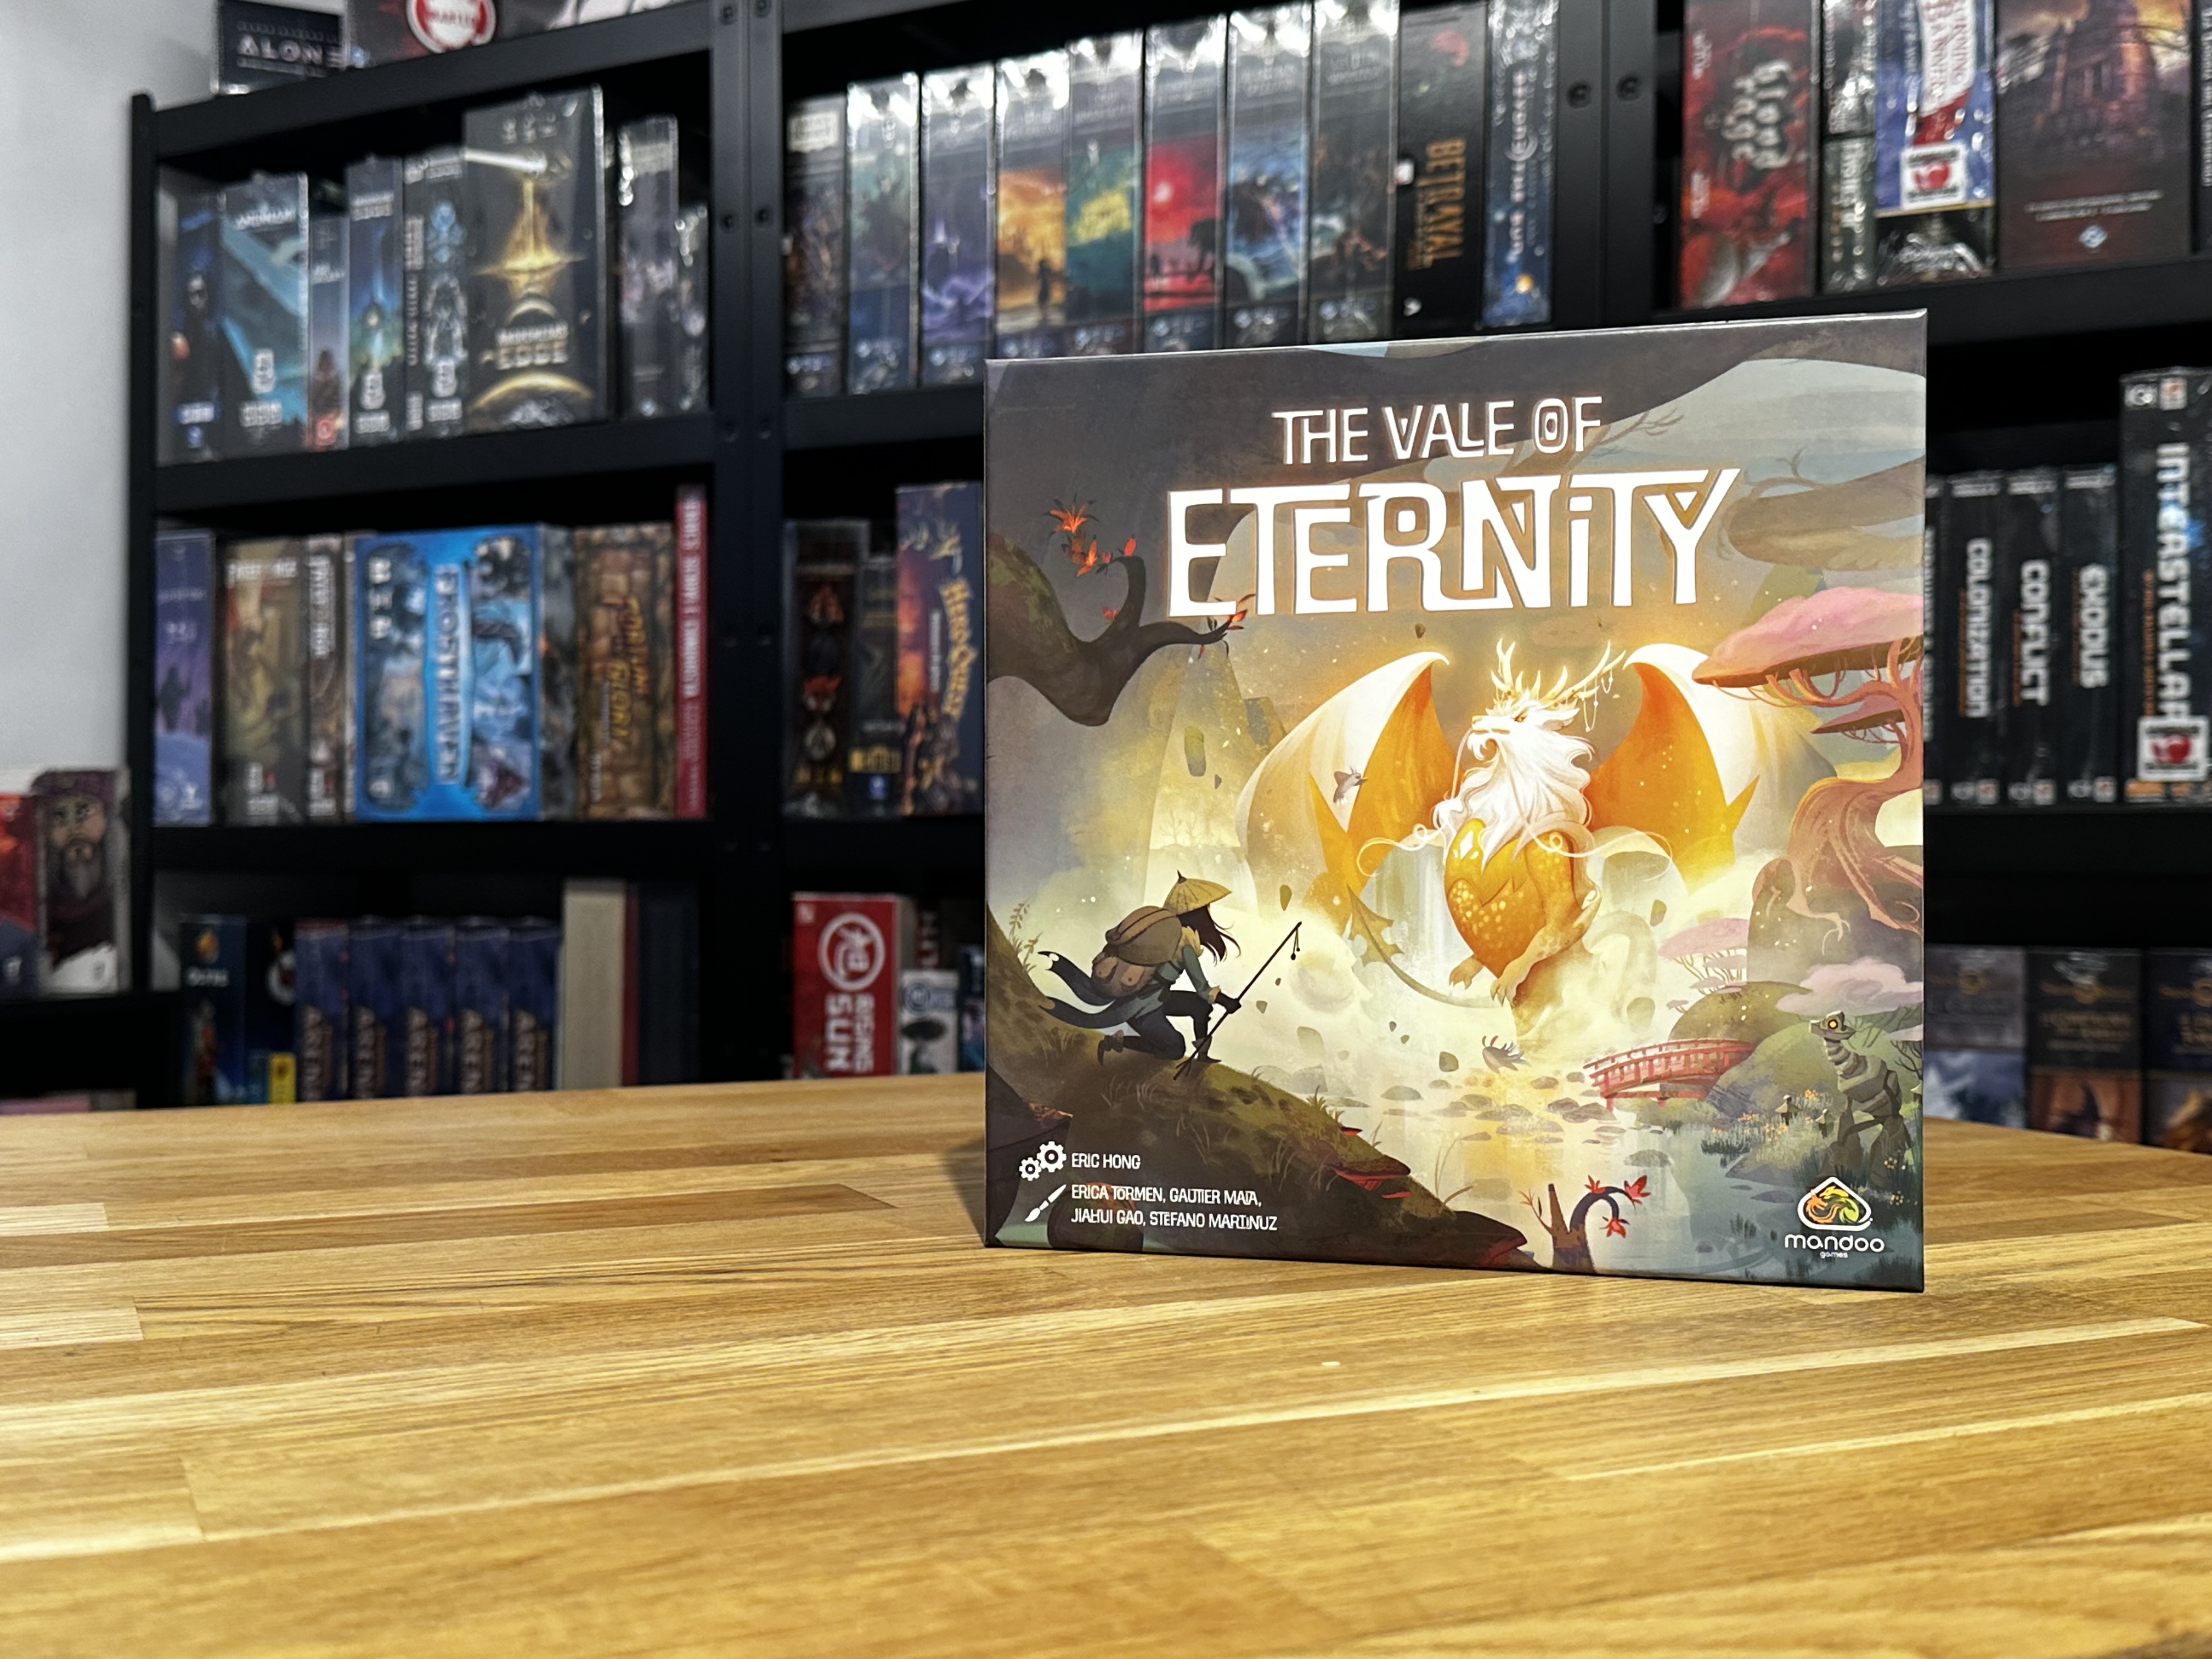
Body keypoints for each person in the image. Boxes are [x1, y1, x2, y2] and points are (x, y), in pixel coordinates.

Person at [1040, 876, 1240, 1060]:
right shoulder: (1185, 945)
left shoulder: (1163, 937)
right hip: (1142, 1008)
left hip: (1159, 998)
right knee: (1175, 1049)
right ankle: (1117, 1042)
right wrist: (1226, 1002)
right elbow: (1202, 989)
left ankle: (1202, 1055)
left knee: (1200, 1006)